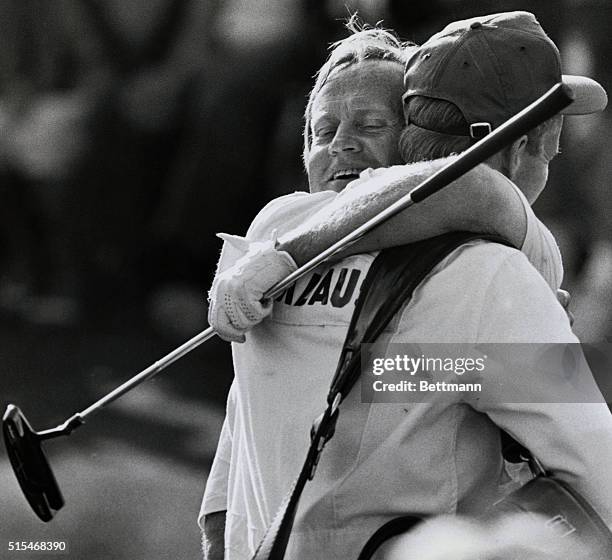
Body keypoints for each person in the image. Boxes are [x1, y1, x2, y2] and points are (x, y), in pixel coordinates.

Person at [201, 12, 612, 560]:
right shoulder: (494, 275)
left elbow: (225, 501)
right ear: (522, 144)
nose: (343, 146)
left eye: (371, 126)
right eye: (549, 139)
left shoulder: (274, 229)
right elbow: (601, 476)